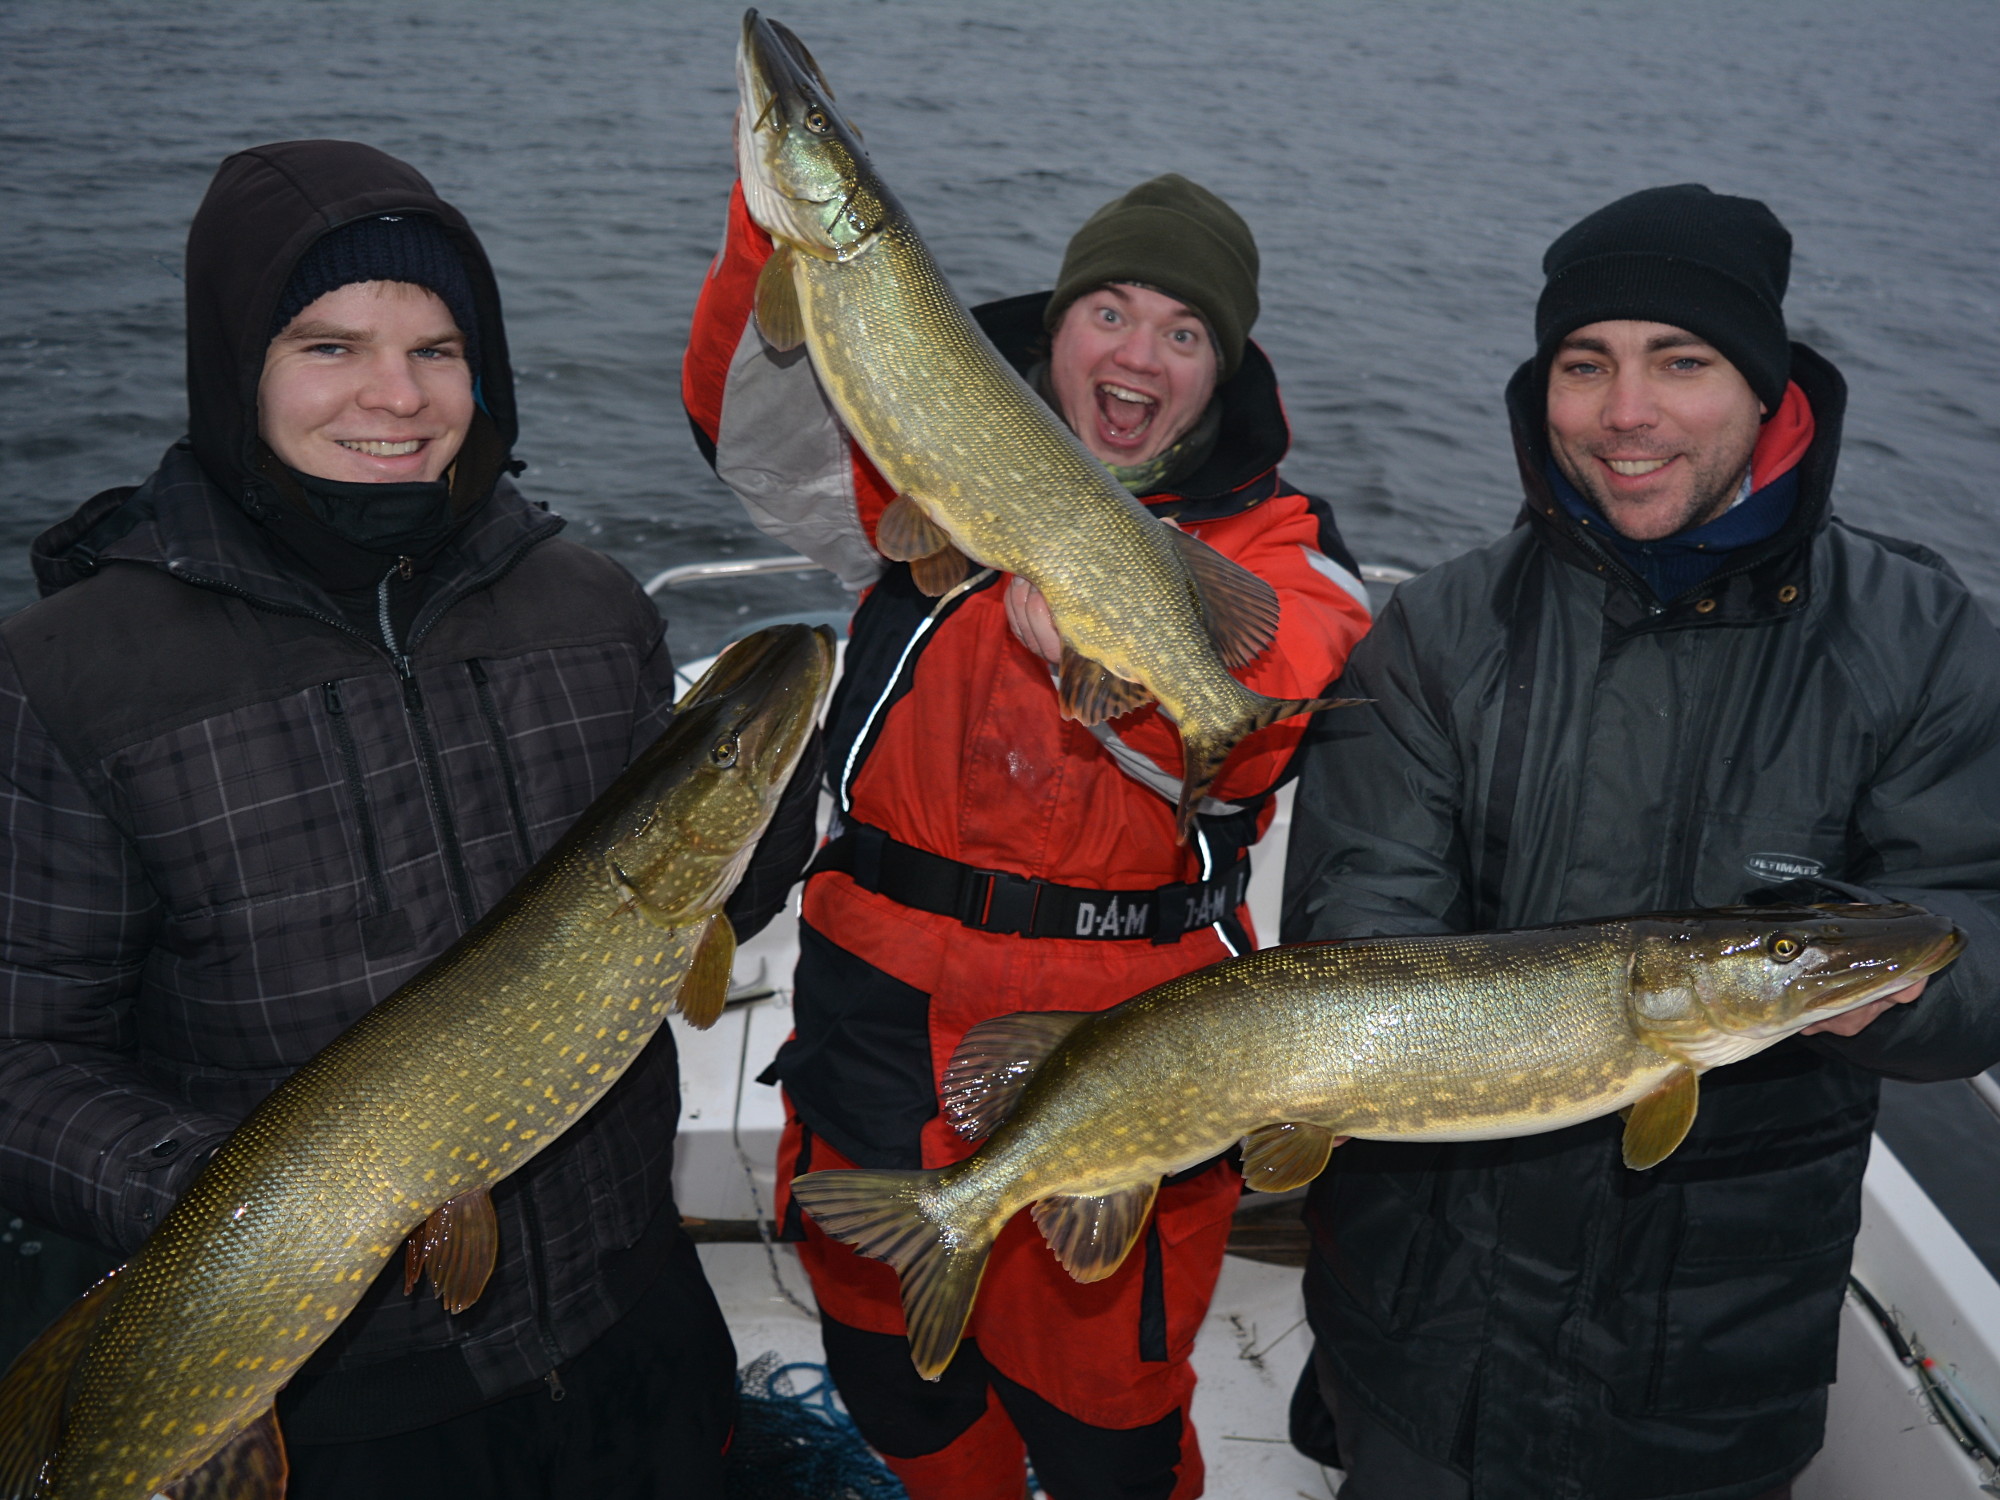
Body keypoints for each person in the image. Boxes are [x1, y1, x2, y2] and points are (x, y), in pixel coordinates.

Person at [0, 139, 815, 1497]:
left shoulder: (588, 605)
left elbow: (673, 905)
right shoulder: (75, 674)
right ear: (235, 362)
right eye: (330, 345)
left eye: (439, 348)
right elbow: (19, 1060)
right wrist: (243, 1204)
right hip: (334, 1404)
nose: (397, 395)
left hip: (629, 1327)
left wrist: (770, 827)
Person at [1281, 183, 2000, 1500]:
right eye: (1585, 364)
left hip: (1711, 1359)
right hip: (1429, 1333)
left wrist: (1890, 992)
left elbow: (1977, 926)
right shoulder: (1436, 636)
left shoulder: (1922, 643)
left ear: (1769, 390)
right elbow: (1357, 936)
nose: (1627, 413)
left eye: (1684, 361)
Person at [683, 174, 1374, 1497]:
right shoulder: (925, 462)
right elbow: (750, 419)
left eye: (1182, 333)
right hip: (875, 1014)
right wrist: (775, 228)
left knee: (1107, 1426)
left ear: (1220, 371)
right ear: (1054, 331)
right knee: (891, 1372)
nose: (1136, 353)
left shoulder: (1284, 540)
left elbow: (1276, 690)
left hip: (1124, 1042)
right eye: (1107, 310)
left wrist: (1130, 653)